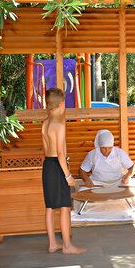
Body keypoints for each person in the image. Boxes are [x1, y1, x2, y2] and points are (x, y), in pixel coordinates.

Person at [41, 88, 85, 254]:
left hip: (48, 165)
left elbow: (46, 150)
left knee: (50, 207)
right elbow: (60, 153)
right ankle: (67, 246)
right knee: (65, 207)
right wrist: (68, 175)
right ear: (61, 104)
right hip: (58, 166)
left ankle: (53, 244)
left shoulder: (45, 123)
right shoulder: (59, 124)